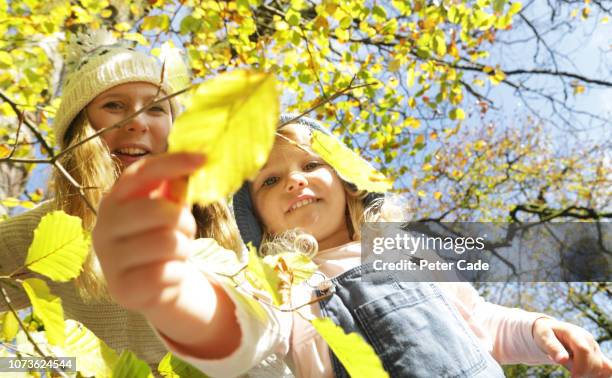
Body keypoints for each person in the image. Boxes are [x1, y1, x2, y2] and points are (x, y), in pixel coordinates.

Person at [92, 114, 612, 377]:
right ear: (259, 222)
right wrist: (172, 293)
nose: (294, 182)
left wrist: (543, 326)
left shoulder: (403, 251)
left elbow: (480, 323)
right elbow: (243, 331)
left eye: (311, 166)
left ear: (346, 184)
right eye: (269, 182)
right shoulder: (280, 280)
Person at [0, 30, 242, 371]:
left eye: (157, 109)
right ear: (81, 127)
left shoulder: (219, 215)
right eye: (115, 105)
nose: (137, 123)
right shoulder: (54, 227)